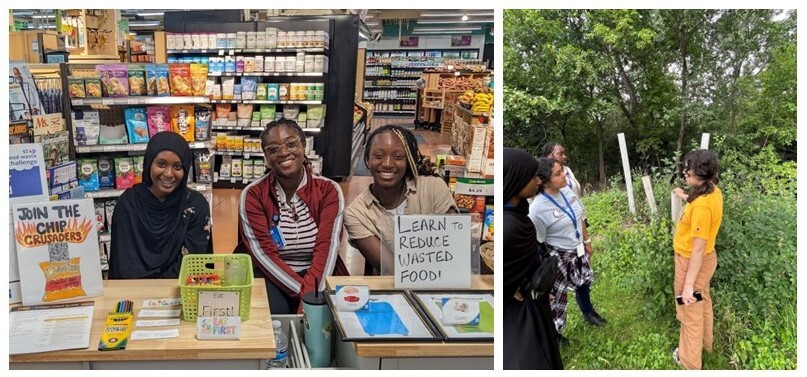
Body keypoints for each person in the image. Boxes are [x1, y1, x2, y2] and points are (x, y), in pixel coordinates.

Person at [235, 119, 348, 314]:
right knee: (274, 316)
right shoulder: (253, 195)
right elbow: (263, 254)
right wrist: (305, 295)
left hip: (319, 272)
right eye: (273, 149)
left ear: (304, 145)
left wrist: (313, 294)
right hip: (272, 273)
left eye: (291, 144)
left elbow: (326, 249)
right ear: (266, 157)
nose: (284, 152)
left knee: (331, 321)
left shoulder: (328, 190)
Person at [344, 125, 457, 275]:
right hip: (393, 291)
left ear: (409, 160)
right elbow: (393, 270)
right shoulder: (357, 213)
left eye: (398, 157)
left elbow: (454, 247)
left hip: (444, 283)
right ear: (367, 160)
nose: (387, 164)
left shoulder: (434, 188)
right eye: (378, 156)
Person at [108, 131, 212, 279]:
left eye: (177, 167)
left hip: (180, 291)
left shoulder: (195, 206)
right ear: (149, 163)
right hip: (134, 291)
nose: (169, 174)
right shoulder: (129, 204)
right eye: (161, 164)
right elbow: (124, 264)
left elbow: (195, 265)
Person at [529, 157, 606, 345]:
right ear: (545, 181)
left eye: (562, 170)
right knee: (558, 297)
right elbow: (538, 242)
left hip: (578, 249)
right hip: (559, 256)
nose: (564, 174)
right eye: (558, 173)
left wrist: (586, 241)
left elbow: (579, 217)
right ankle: (555, 333)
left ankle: (588, 313)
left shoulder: (567, 192)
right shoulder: (537, 209)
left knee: (583, 284)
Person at [503, 148, 563, 370]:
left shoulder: (517, 213)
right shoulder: (510, 228)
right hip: (519, 314)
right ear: (516, 180)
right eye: (533, 176)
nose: (538, 180)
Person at [671, 149, 723, 370]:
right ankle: (705, 345)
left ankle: (689, 363)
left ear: (698, 172)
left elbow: (698, 248)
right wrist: (684, 196)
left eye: (687, 168)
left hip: (692, 262)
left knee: (689, 311)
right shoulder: (711, 191)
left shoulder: (701, 205)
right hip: (705, 261)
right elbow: (698, 203)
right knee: (703, 302)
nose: (684, 172)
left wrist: (689, 285)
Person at [542, 142, 603, 329]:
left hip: (576, 235)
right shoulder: (539, 202)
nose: (564, 156)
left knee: (582, 279)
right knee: (558, 290)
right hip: (559, 247)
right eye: (560, 153)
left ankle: (588, 311)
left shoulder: (566, 182)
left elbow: (578, 211)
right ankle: (556, 328)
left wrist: (587, 240)